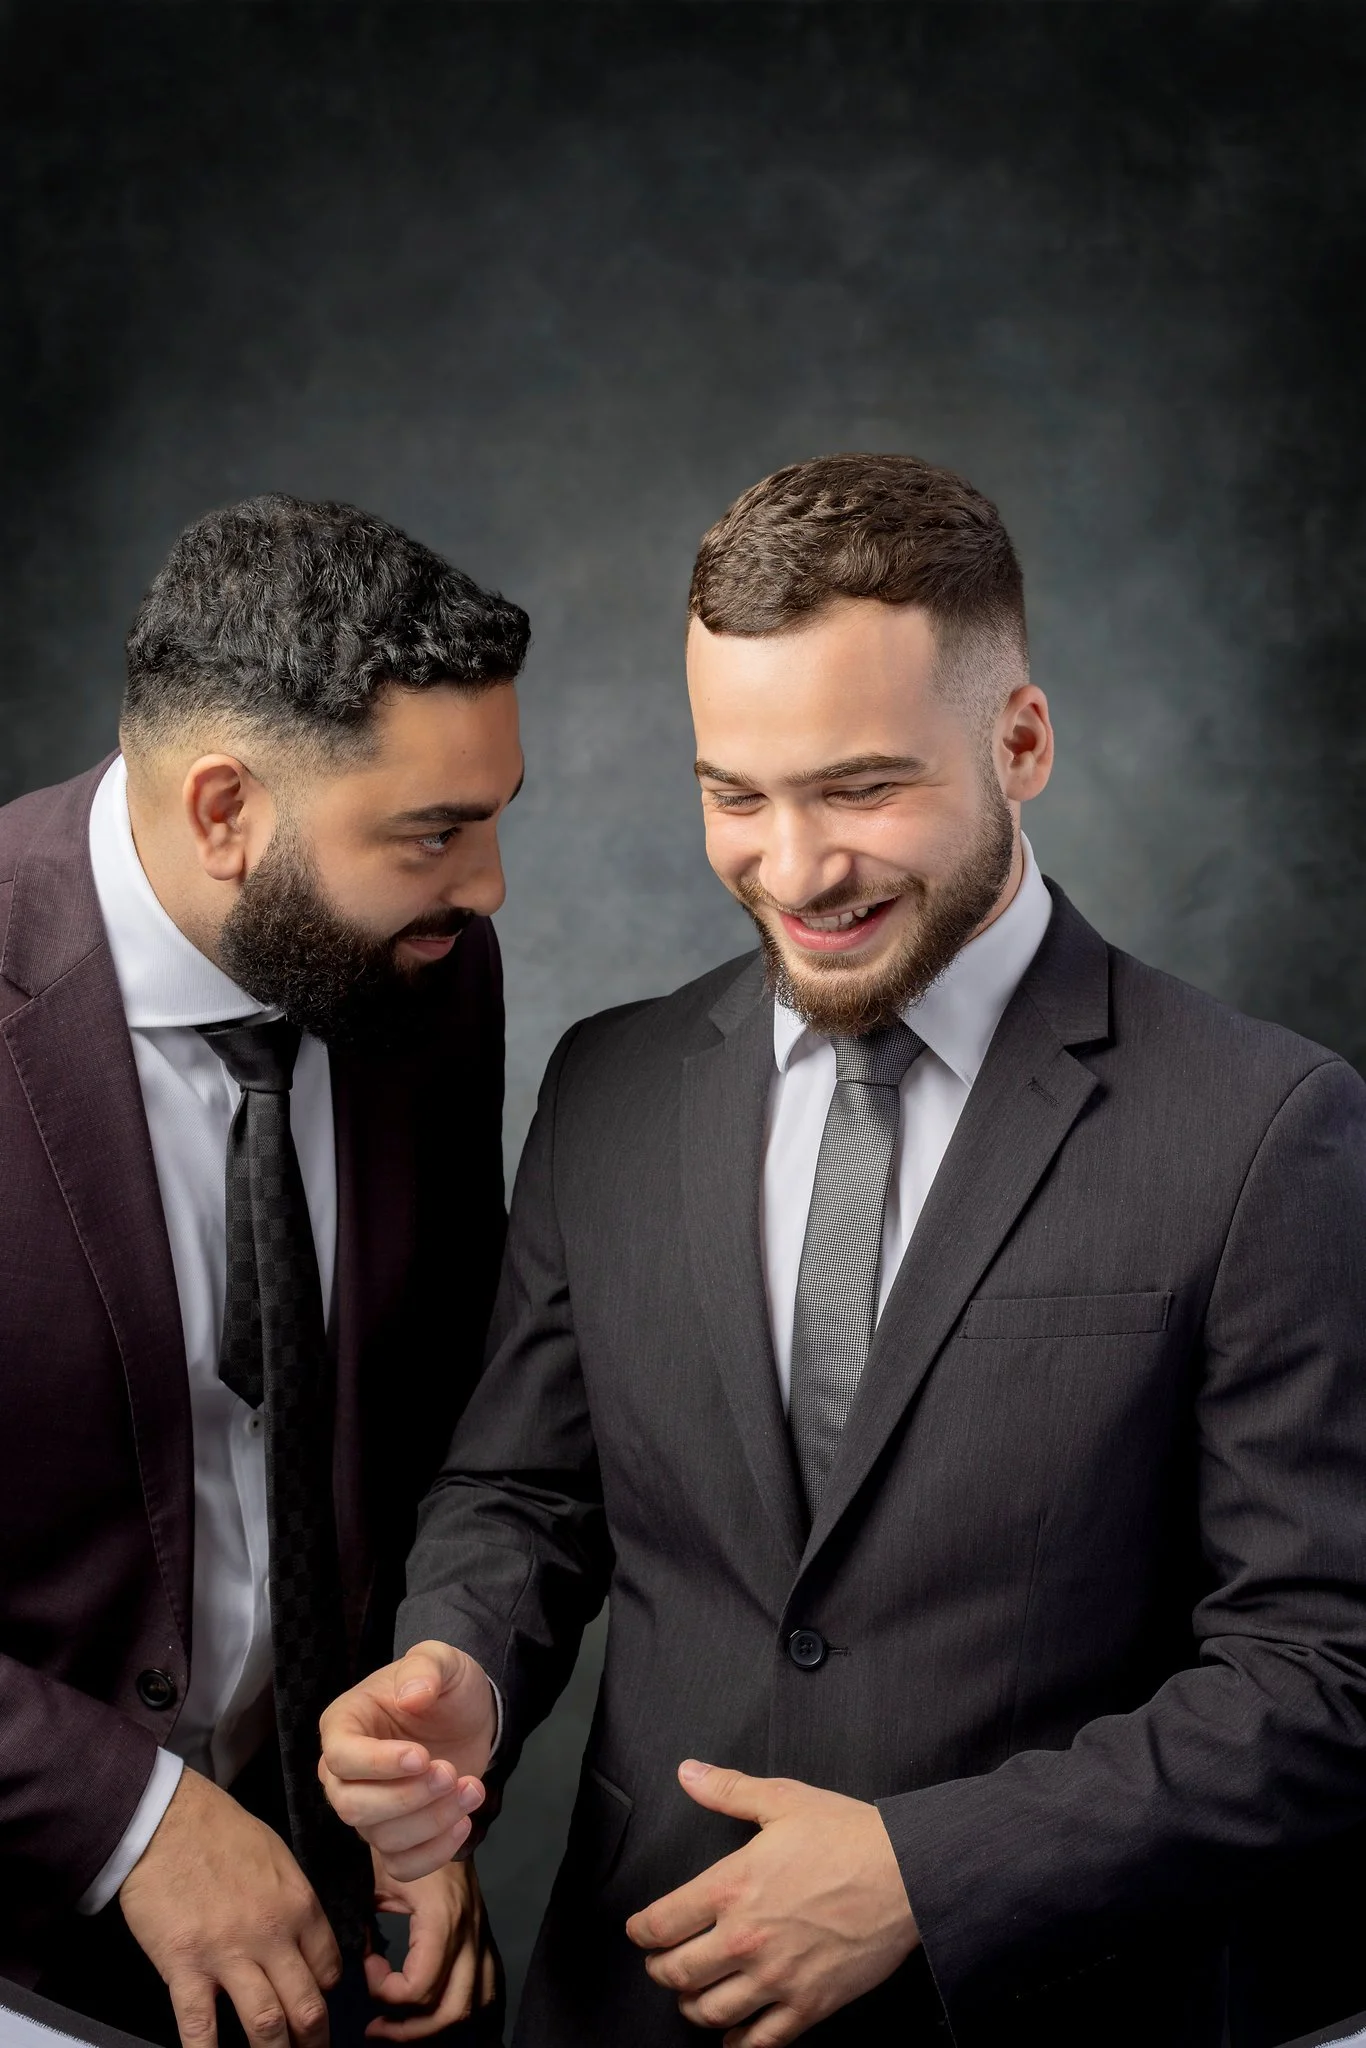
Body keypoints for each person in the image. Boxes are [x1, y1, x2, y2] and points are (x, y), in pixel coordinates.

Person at [317, 455, 1366, 2047]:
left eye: (861, 788)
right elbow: (522, 1493)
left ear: (1018, 742)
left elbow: (1325, 1674)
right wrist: (457, 1667)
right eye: (733, 796)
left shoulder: (1265, 1127)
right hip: (631, 2007)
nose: (793, 872)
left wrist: (928, 1875)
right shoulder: (606, 1084)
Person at [0, 495, 526, 2048]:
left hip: (337, 1944)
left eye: (494, 816)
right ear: (224, 807)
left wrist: (419, 1810)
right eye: (434, 831)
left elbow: (442, 1413)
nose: (488, 888)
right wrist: (131, 1818)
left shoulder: (425, 970)